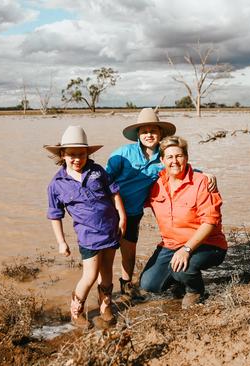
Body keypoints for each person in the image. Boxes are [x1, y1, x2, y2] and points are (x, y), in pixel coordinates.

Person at [106, 108, 217, 302]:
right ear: (138, 135)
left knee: (128, 253)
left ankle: (126, 286)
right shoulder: (123, 154)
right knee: (105, 253)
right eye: (144, 131)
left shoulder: (163, 156)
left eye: (153, 131)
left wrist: (205, 173)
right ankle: (105, 293)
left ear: (160, 134)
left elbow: (179, 168)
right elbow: (105, 180)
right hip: (111, 209)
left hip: (133, 213)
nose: (149, 134)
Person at [45, 125, 126, 328]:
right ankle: (77, 310)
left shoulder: (97, 171)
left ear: (87, 153)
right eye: (71, 154)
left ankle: (104, 305)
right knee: (89, 275)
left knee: (107, 270)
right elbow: (55, 215)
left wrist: (122, 217)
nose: (77, 159)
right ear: (62, 154)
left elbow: (114, 192)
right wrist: (61, 242)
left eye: (81, 154)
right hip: (88, 236)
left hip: (110, 229)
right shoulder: (56, 184)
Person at [139, 136, 227, 309]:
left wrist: (186, 249)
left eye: (179, 156)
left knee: (182, 269)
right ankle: (179, 281)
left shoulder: (202, 182)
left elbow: (209, 222)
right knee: (149, 284)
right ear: (162, 160)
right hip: (170, 245)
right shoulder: (155, 184)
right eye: (169, 157)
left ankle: (196, 290)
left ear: (186, 157)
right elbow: (129, 193)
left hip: (207, 244)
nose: (174, 161)